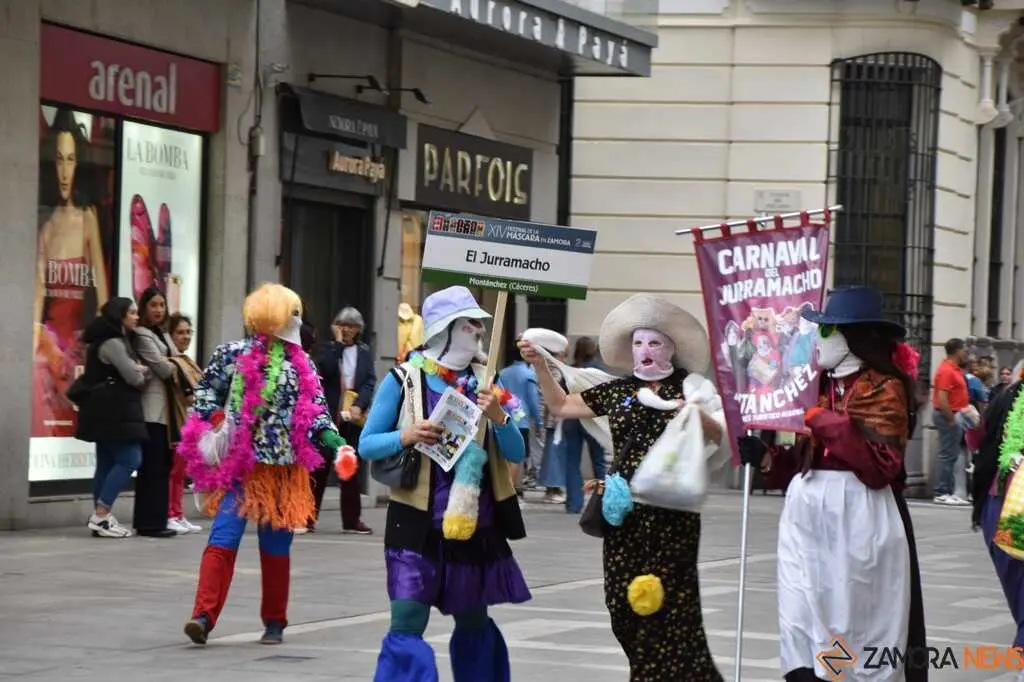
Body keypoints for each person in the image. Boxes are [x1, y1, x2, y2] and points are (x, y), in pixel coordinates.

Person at [520, 293, 725, 681]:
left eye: (654, 343)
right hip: (624, 515)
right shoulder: (619, 390)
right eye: (638, 342)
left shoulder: (691, 388)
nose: (644, 350)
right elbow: (563, 406)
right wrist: (541, 366)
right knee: (622, 605)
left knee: (669, 609)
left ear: (670, 348)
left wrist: (696, 417)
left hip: (671, 515)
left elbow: (719, 434)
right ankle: (646, 670)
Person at [738, 286, 927, 682]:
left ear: (853, 337)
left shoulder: (884, 387)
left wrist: (823, 421)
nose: (816, 341)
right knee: (800, 607)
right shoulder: (817, 387)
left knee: (853, 617)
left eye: (825, 331)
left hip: (857, 514)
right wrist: (769, 457)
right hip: (806, 514)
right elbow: (804, 458)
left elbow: (881, 465)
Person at [359, 285, 530, 682]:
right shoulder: (404, 379)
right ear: (445, 330)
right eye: (470, 324)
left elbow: (517, 453)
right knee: (406, 621)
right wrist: (408, 435)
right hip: (413, 525)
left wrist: (500, 416)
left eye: (479, 324)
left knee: (473, 624)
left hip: (470, 525)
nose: (479, 331)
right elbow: (366, 444)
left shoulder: (489, 381)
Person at [177, 283, 346, 646]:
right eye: (293, 315)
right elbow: (205, 391)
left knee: (275, 547)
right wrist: (209, 421)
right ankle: (202, 617)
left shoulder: (301, 365)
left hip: (283, 471)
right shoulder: (233, 355)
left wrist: (334, 439)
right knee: (223, 537)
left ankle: (274, 621)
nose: (297, 323)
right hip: (241, 466)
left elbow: (316, 411)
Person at [34, 108, 110, 439]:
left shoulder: (87, 219)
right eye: (59, 160)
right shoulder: (46, 227)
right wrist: (42, 346)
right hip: (51, 343)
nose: (64, 171)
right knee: (39, 380)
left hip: (82, 340)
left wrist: (99, 342)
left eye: (70, 160)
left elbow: (103, 295)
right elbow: (37, 300)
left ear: (78, 165)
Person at [75, 297, 148, 538]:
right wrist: (142, 371)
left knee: (106, 462)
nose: (136, 317)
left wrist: (134, 368)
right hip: (115, 411)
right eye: (132, 313)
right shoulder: (114, 343)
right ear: (120, 316)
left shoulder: (101, 342)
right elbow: (134, 378)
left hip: (101, 411)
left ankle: (101, 516)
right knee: (131, 458)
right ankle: (102, 514)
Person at [972, 361, 1024, 676]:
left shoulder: (1007, 396)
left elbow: (982, 446)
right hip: (1014, 510)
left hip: (997, 505)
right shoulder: (1012, 398)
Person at [311, 307, 376, 534]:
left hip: (351, 419)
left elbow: (369, 382)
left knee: (350, 470)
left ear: (359, 329)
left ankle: (351, 521)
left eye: (351, 326)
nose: (347, 330)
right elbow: (324, 370)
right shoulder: (327, 349)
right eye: (342, 325)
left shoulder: (364, 353)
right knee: (319, 468)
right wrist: (338, 345)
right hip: (327, 418)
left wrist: (360, 405)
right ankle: (307, 517)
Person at [133, 286, 178, 538]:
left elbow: (176, 360)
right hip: (151, 410)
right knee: (152, 466)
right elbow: (165, 369)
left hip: (167, 411)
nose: (159, 310)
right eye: (153, 305)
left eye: (162, 305)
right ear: (144, 308)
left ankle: (158, 519)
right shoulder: (141, 334)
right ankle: (148, 522)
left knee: (163, 465)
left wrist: (176, 363)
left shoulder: (162, 334)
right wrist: (177, 364)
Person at [166, 312, 203, 533]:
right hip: (180, 421)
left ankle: (178, 513)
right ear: (170, 335)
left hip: (190, 423)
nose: (185, 336)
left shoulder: (187, 361)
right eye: (180, 332)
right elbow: (189, 395)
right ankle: (170, 513)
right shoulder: (174, 362)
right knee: (175, 470)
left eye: (188, 332)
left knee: (181, 471)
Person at [498, 334, 545, 499]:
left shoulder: (502, 373)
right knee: (518, 457)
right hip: (522, 421)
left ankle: (508, 487)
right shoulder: (528, 375)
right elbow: (533, 401)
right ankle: (511, 490)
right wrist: (539, 423)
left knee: (504, 457)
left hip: (502, 418)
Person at [933, 338, 970, 506]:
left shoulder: (953, 369)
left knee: (952, 454)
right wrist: (951, 419)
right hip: (948, 415)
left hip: (953, 414)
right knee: (947, 454)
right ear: (957, 351)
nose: (966, 354)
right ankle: (941, 491)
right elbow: (942, 398)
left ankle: (948, 491)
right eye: (965, 351)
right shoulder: (947, 370)